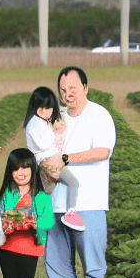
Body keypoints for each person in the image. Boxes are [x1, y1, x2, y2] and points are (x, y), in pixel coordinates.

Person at [32, 66, 116, 278]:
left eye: (74, 89)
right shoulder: (55, 117)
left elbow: (102, 151)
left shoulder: (99, 114)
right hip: (54, 202)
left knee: (94, 264)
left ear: (86, 88)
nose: (68, 94)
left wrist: (66, 159)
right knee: (56, 263)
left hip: (88, 204)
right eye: (63, 90)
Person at [0, 148, 55, 278]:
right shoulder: (7, 194)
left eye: (25, 168)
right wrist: (6, 222)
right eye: (15, 169)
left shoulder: (41, 196)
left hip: (30, 249)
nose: (20, 173)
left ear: (33, 169)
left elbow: (49, 221)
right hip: (7, 248)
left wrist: (36, 222)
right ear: (10, 171)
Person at [23, 87, 84, 231]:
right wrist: (54, 130)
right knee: (67, 184)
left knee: (44, 191)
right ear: (38, 109)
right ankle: (69, 213)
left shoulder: (37, 121)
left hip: (48, 161)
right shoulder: (36, 124)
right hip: (49, 162)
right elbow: (45, 143)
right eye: (46, 108)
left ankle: (32, 217)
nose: (49, 112)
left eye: (50, 108)